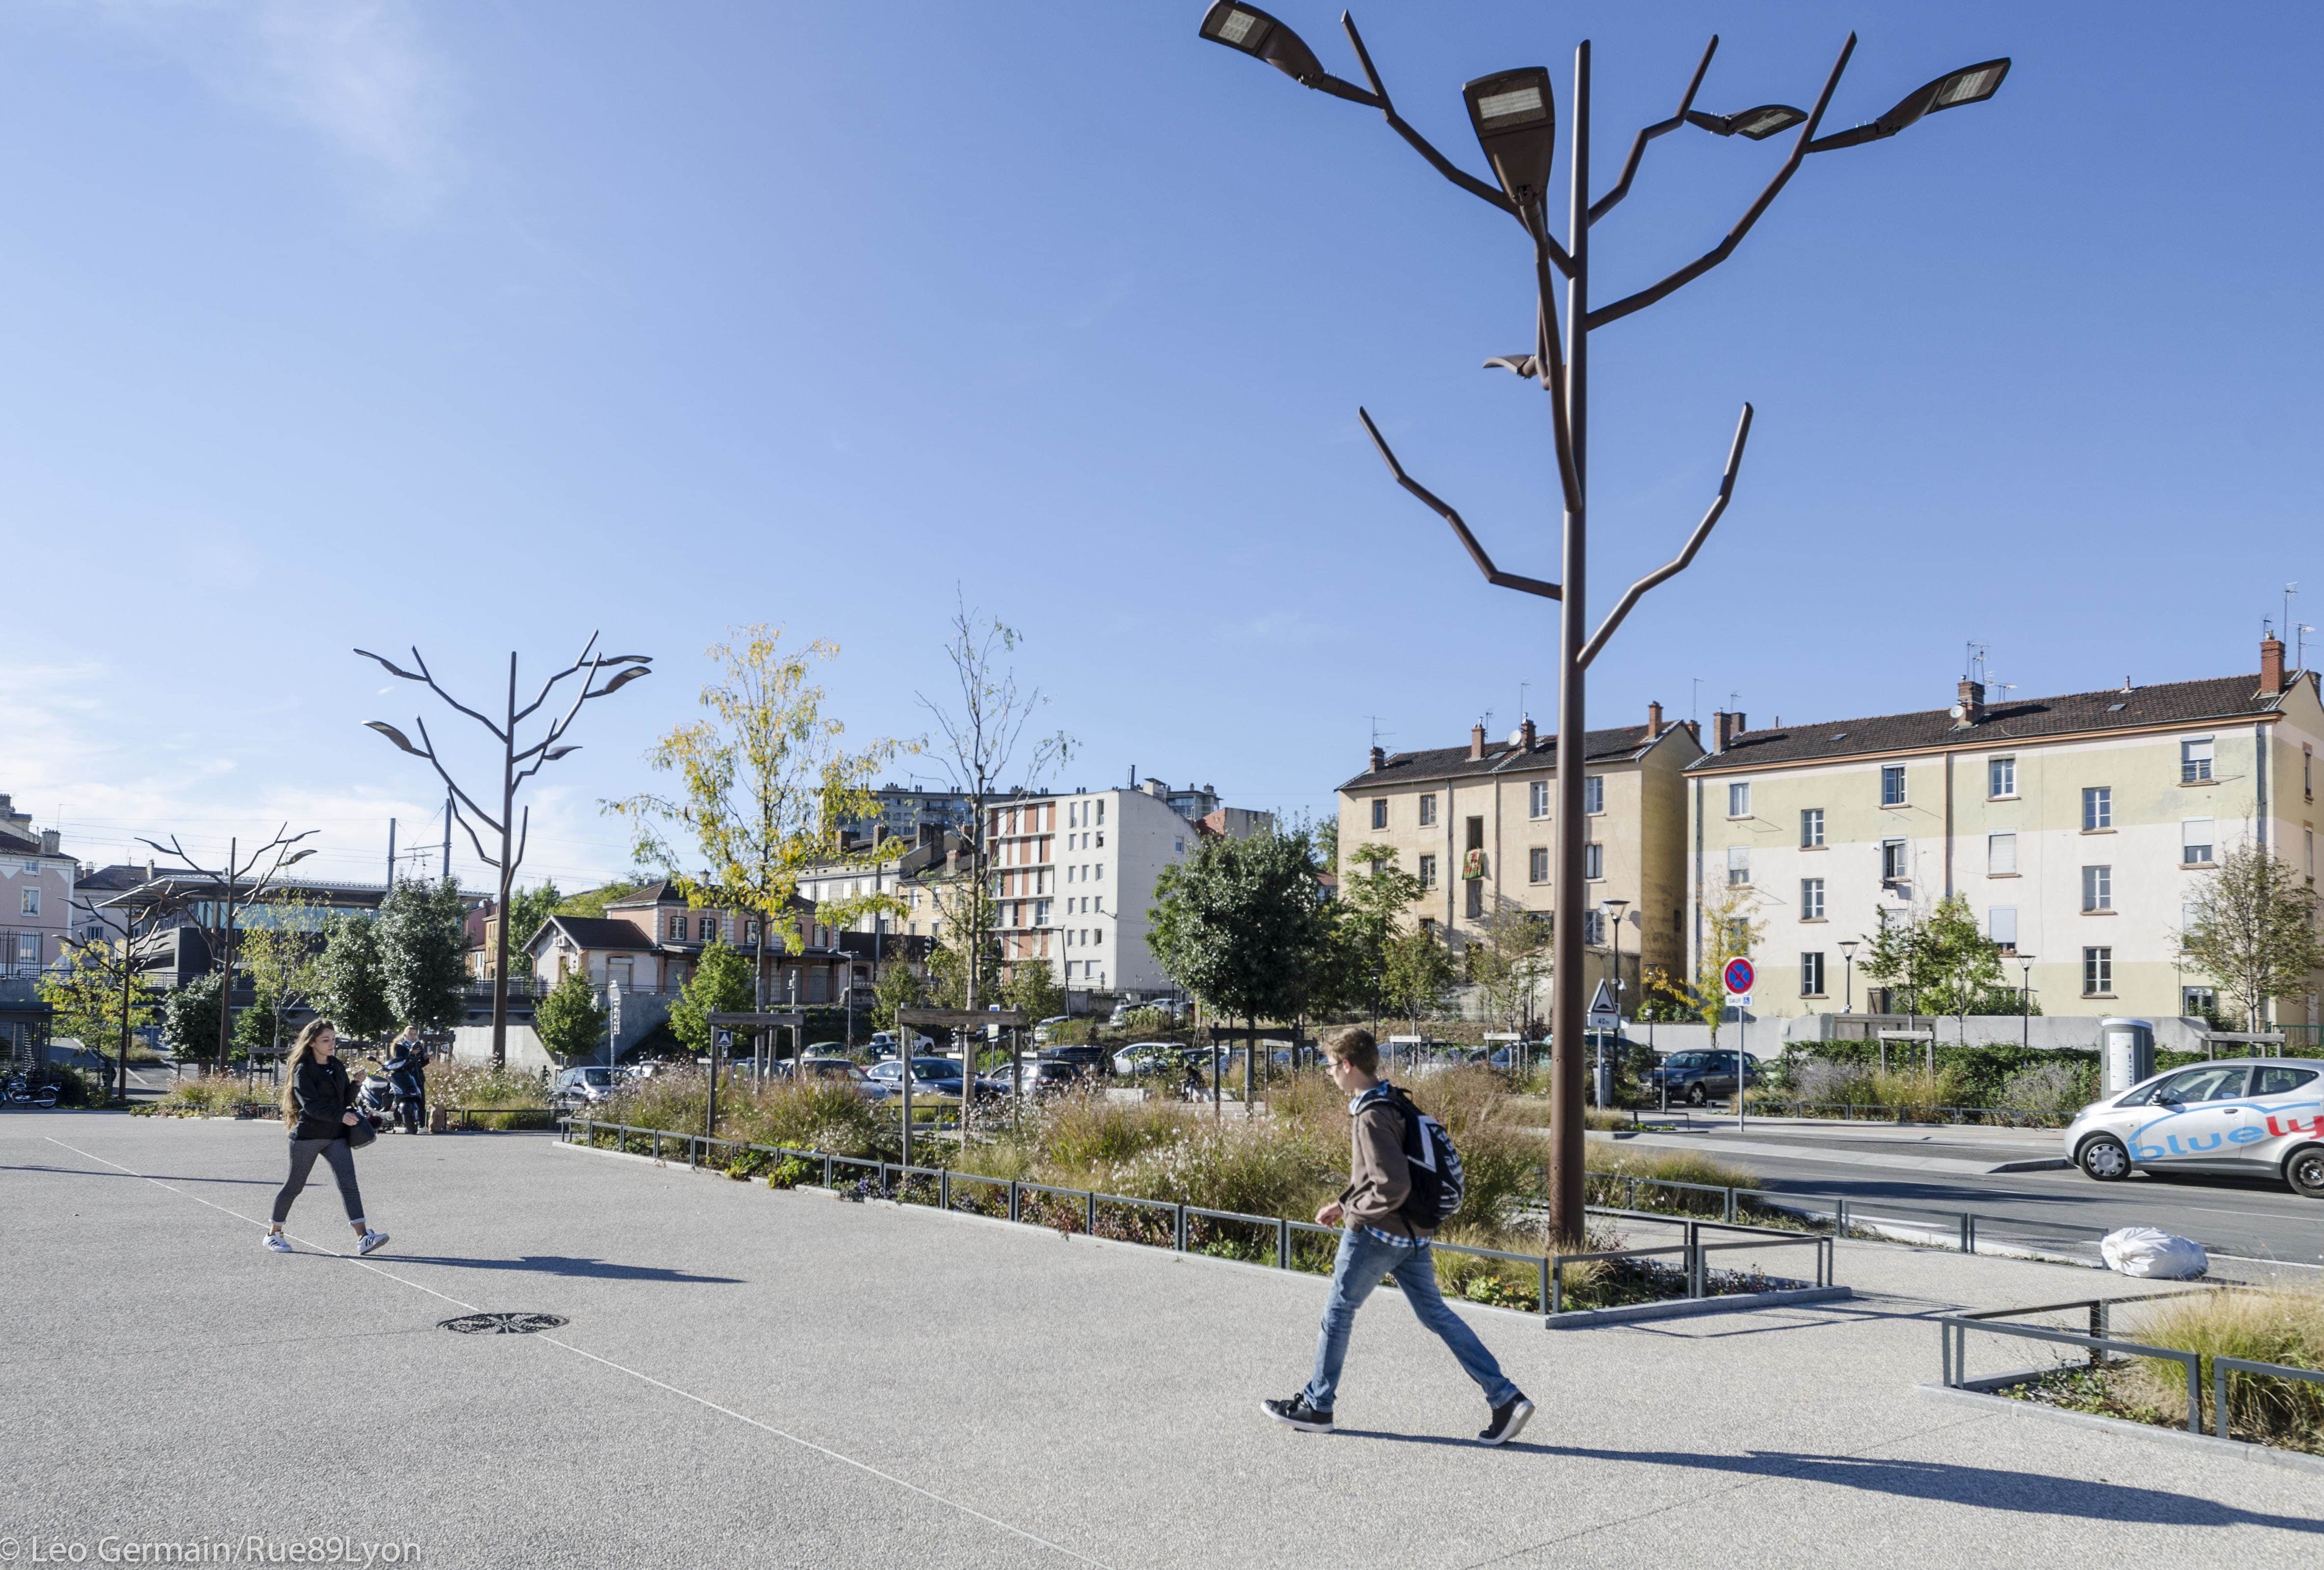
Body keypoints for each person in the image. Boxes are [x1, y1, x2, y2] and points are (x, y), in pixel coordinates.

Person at [1262, 1026, 1532, 1444]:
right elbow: (1381, 1174)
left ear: (1348, 1065)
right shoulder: (1392, 1101)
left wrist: (1355, 1216)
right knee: (1436, 1315)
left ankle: (1317, 1406)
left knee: (1338, 1312)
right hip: (1414, 1233)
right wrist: (1344, 1201)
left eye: (1332, 1066)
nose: (1331, 1074)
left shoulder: (1371, 1115)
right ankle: (1505, 1398)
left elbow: (1391, 1186)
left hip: (1380, 1233)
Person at [265, 1018, 390, 1256]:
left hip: (335, 1137)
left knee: (349, 1185)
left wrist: (355, 1084)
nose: (332, 1044)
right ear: (312, 1042)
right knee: (294, 1186)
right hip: (308, 1137)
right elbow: (311, 1107)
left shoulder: (336, 1065)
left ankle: (363, 1237)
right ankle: (273, 1234)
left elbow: (344, 1100)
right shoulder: (303, 1069)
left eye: (333, 1039)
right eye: (326, 1040)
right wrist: (341, 1116)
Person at [386, 1027, 427, 1135]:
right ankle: (408, 1124)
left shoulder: (418, 1045)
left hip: (418, 1076)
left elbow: (420, 1063)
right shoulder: (400, 1047)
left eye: (415, 1034)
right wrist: (410, 1054)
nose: (413, 1036)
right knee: (407, 1100)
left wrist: (426, 1059)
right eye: (411, 1034)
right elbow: (400, 1062)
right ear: (405, 1035)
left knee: (421, 1101)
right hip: (406, 1077)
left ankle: (422, 1125)